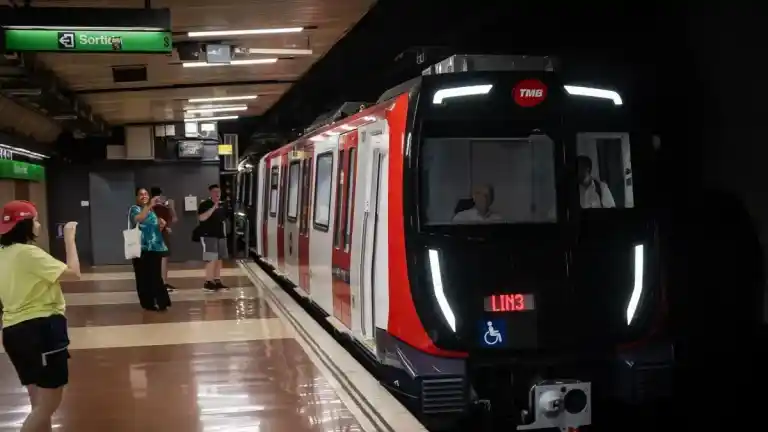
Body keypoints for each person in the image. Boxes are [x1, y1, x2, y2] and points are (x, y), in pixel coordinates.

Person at [0, 200, 80, 431]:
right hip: (42, 330)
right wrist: (70, 239)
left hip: (13, 332)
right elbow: (74, 274)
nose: (38, 224)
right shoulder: (29, 254)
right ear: (25, 225)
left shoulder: (3, 254)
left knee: (38, 403)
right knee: (48, 404)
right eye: (35, 220)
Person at [129, 188, 172, 311]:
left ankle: (161, 301)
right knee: (143, 276)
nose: (144, 196)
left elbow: (153, 226)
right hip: (142, 248)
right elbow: (139, 219)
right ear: (136, 197)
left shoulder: (151, 210)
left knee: (156, 275)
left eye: (146, 194)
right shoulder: (135, 209)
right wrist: (149, 206)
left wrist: (161, 224)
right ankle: (148, 303)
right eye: (141, 194)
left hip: (155, 247)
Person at [197, 184, 229, 292]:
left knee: (219, 258)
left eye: (219, 192)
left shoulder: (223, 205)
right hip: (208, 235)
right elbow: (202, 218)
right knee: (211, 258)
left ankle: (217, 279)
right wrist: (213, 207)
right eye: (215, 192)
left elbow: (224, 219)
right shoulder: (204, 204)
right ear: (210, 192)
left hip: (220, 235)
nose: (217, 194)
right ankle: (208, 281)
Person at [150, 187, 177, 293]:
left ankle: (163, 282)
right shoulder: (153, 207)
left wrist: (171, 207)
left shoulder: (163, 207)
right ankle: (161, 282)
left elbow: (173, 219)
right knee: (161, 259)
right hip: (157, 235)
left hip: (161, 234)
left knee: (163, 258)